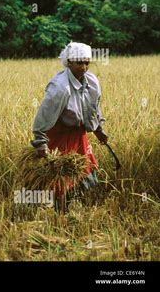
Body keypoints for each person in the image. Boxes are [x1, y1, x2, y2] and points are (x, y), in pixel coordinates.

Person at [31, 42, 108, 209]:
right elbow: (42, 119)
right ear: (69, 62)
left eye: (87, 62)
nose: (84, 67)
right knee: (60, 175)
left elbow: (94, 108)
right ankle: (57, 207)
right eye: (79, 62)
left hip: (78, 134)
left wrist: (99, 129)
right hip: (59, 136)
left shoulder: (92, 82)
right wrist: (40, 142)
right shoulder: (60, 88)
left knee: (84, 171)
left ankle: (73, 204)